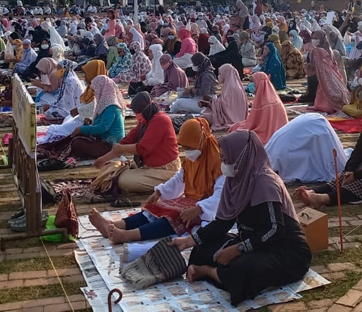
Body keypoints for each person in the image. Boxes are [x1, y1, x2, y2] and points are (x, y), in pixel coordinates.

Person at [168, 130, 311, 307]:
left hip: (285, 250)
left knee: (241, 269)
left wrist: (239, 249)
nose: (223, 163)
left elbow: (274, 230)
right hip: (254, 244)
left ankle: (208, 272)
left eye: (227, 158)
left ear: (242, 155)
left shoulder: (265, 182)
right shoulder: (235, 180)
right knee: (202, 250)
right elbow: (222, 223)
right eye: (223, 158)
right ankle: (219, 273)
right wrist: (188, 241)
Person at [88, 118, 225, 243]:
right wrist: (160, 192)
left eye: (189, 148)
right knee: (156, 208)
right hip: (189, 201)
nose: (187, 152)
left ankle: (127, 235)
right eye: (185, 148)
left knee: (174, 216)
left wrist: (200, 209)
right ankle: (116, 225)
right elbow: (179, 179)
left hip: (207, 208)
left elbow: (221, 196)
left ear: (201, 141)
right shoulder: (192, 160)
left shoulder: (219, 163)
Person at [93, 92, 182, 194]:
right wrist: (104, 159)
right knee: (110, 170)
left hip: (165, 170)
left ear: (145, 110)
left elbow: (142, 149)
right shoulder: (145, 121)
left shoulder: (160, 120)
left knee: (123, 181)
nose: (136, 116)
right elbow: (126, 141)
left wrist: (121, 149)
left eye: (137, 113)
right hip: (147, 167)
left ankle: (168, 183)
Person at [37, 75, 125, 162]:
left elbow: (103, 127)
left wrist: (82, 129)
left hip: (110, 146)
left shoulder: (112, 107)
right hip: (102, 140)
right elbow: (100, 124)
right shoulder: (105, 105)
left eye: (95, 90)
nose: (94, 93)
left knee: (77, 143)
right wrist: (89, 123)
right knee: (75, 138)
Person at [265, 113, 346, 183]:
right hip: (283, 159)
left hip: (274, 155)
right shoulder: (320, 128)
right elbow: (332, 160)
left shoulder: (270, 153)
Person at [230, 72, 288, 144]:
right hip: (280, 132)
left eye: (253, 82)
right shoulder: (273, 98)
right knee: (236, 127)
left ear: (259, 83)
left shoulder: (266, 103)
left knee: (237, 132)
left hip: (265, 132)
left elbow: (256, 123)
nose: (251, 85)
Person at [308, 30, 350, 114]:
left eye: (316, 38)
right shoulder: (327, 48)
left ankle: (326, 106)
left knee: (326, 91)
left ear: (321, 38)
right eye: (312, 38)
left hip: (329, 75)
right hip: (331, 76)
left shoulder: (319, 50)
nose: (314, 40)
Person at [207, 64, 249, 129]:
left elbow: (225, 105)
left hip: (230, 117)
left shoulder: (231, 87)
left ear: (225, 74)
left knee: (206, 116)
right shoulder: (231, 85)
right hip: (234, 115)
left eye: (220, 74)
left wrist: (214, 100)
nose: (218, 76)